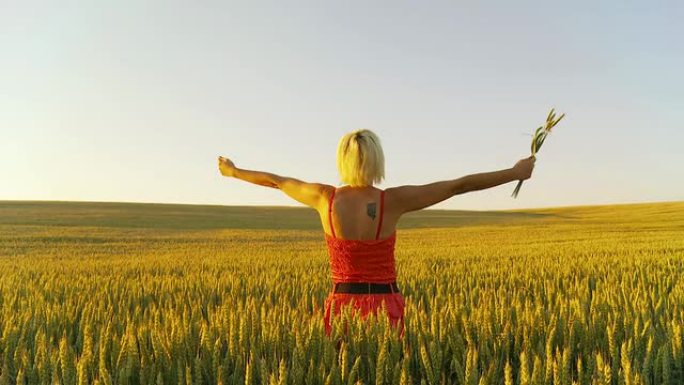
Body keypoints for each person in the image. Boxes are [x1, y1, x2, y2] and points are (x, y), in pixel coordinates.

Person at [217, 129, 535, 340]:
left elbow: (276, 181)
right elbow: (457, 186)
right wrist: (514, 173)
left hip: (341, 303)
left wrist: (234, 172)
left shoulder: (323, 198)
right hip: (385, 302)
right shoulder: (392, 201)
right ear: (377, 159)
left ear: (342, 160)